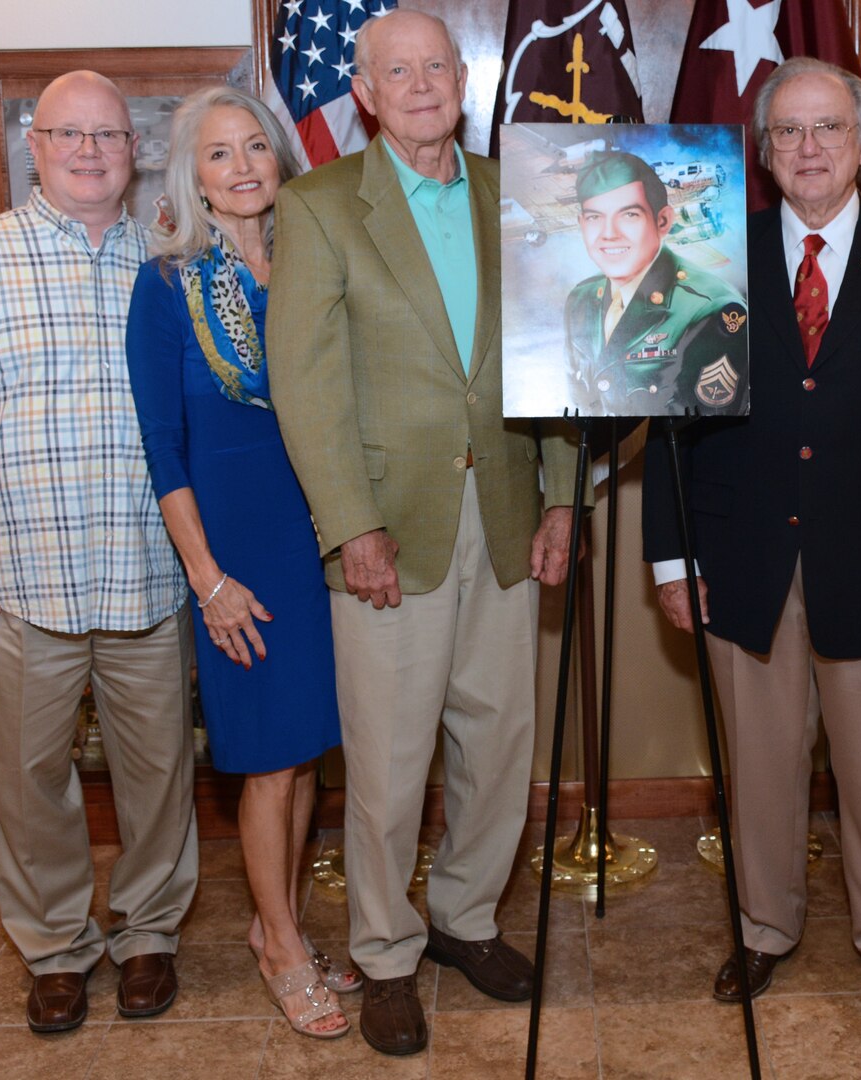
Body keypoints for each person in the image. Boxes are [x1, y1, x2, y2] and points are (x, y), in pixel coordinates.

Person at [642, 56, 861, 1026]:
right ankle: (762, 930)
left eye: (825, 129)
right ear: (762, 152)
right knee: (756, 769)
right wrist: (672, 559)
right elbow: (671, 420)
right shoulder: (711, 256)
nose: (806, 149)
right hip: (740, 560)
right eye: (787, 133)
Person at [266, 10, 581, 1057]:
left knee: (498, 748)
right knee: (392, 765)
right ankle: (387, 953)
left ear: (463, 78)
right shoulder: (317, 208)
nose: (417, 85)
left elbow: (564, 351)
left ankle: (465, 921)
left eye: (434, 67)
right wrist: (350, 524)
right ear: (361, 91)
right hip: (388, 538)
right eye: (393, 71)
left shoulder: (517, 198)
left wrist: (562, 494)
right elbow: (305, 387)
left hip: (503, 519)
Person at [0, 70, 198, 1034]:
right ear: (35, 144)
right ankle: (58, 948)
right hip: (16, 582)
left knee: (160, 778)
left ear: (135, 150)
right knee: (29, 788)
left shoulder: (171, 260)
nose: (91, 152)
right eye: (70, 134)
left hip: (152, 572)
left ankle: (147, 935)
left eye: (108, 135)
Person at [124, 85, 353, 1040]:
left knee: (303, 759)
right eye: (219, 154)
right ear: (193, 178)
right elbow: (163, 452)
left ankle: (280, 922)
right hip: (237, 557)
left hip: (318, 540)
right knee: (265, 761)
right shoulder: (166, 285)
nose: (244, 166)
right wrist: (208, 581)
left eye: (255, 146)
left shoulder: (314, 260)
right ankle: (283, 950)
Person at [564, 150, 748, 415]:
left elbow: (709, 416)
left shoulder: (710, 308)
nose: (608, 234)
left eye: (629, 215)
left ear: (663, 221)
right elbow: (576, 398)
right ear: (581, 224)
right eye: (594, 217)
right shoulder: (579, 301)